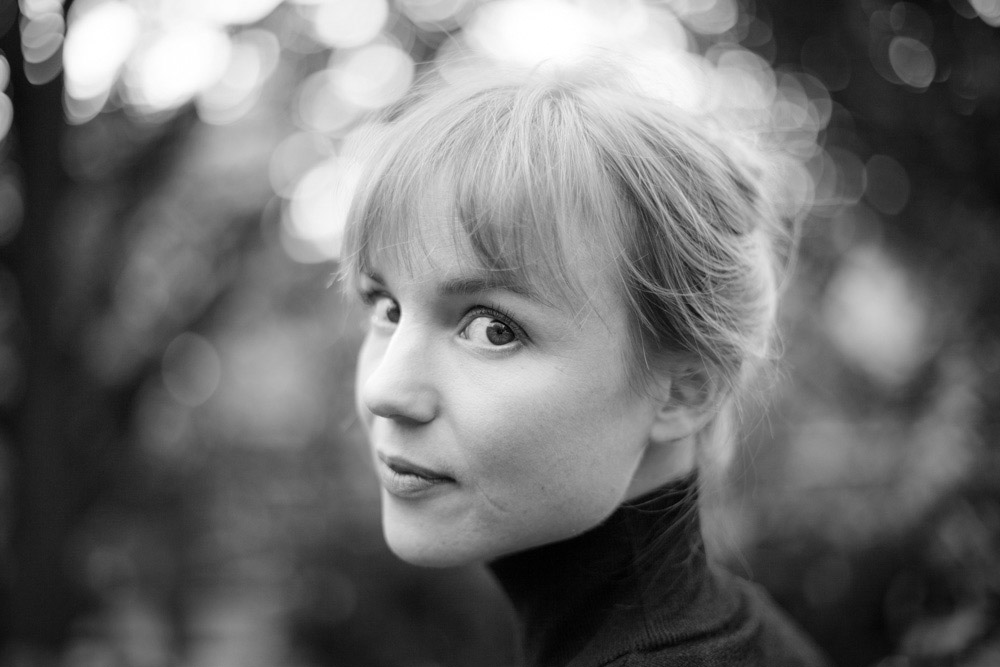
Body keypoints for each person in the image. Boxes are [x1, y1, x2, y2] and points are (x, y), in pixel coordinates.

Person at [339, 59, 831, 666]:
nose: (384, 389)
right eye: (387, 308)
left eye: (493, 328)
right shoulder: (750, 628)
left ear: (683, 390)